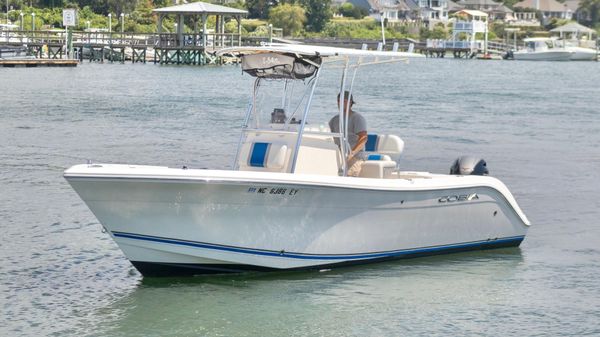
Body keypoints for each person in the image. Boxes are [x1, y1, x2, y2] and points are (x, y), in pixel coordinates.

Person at [329, 91, 367, 177]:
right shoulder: (334, 120)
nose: (341, 103)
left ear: (350, 103)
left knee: (349, 175)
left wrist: (352, 154)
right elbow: (330, 138)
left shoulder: (357, 118)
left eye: (344, 101)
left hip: (354, 157)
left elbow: (364, 138)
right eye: (339, 101)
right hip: (338, 157)